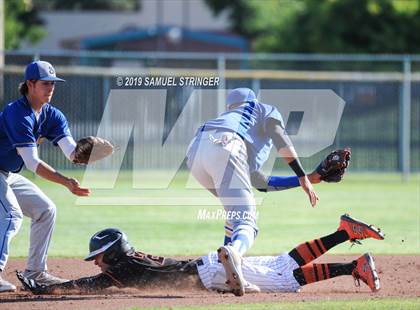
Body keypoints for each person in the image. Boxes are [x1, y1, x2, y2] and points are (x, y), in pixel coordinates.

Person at [17, 214, 384, 296]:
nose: (96, 261)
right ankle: (348, 243)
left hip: (212, 274)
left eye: (98, 255)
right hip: (209, 264)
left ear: (112, 253)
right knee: (283, 264)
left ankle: (352, 259)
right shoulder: (128, 262)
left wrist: (47, 289)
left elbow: (90, 285)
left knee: (285, 279)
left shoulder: (122, 269)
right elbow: (93, 278)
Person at [185, 87, 319, 294]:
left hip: (195, 152)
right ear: (252, 101)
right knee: (246, 220)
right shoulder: (261, 109)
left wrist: (309, 178)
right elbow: (279, 136)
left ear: (230, 107)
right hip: (226, 143)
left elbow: (259, 182)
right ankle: (234, 253)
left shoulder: (230, 120)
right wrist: (302, 175)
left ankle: (225, 273)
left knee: (235, 213)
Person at [0, 60, 91, 292]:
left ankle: (36, 273)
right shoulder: (16, 113)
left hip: (7, 173)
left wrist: (87, 153)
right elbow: (32, 163)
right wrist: (66, 182)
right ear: (30, 84)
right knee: (12, 216)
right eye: (45, 83)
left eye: (53, 83)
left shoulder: (53, 115)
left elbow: (71, 152)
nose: (51, 87)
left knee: (46, 210)